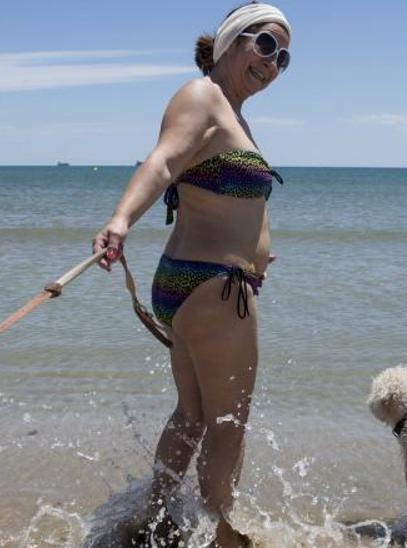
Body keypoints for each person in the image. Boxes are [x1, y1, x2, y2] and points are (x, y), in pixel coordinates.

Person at [92, 3, 291, 546]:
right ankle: (222, 534)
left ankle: (155, 522)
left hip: (192, 285)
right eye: (266, 45)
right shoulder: (201, 95)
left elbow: (214, 190)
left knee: (193, 415)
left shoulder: (231, 113)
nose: (273, 63)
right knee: (230, 421)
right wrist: (120, 219)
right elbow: (160, 162)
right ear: (230, 42)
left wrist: (259, 250)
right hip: (215, 287)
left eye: (284, 57)